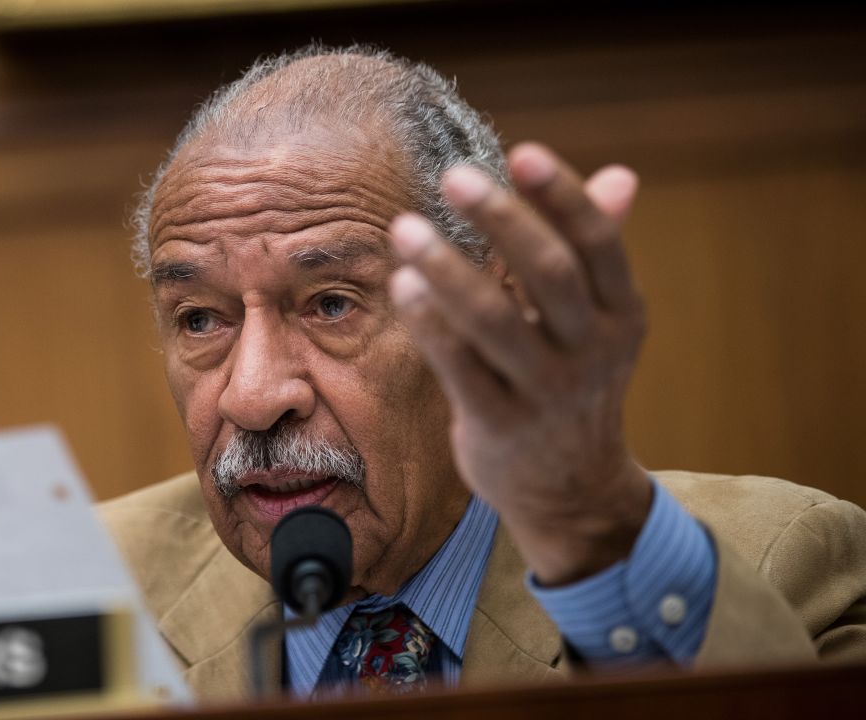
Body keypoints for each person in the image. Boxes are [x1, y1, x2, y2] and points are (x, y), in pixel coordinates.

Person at [98, 45, 866, 702]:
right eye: (201, 319)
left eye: (331, 304)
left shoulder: (783, 566)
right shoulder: (86, 588)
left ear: (487, 318)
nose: (254, 396)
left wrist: (590, 527)